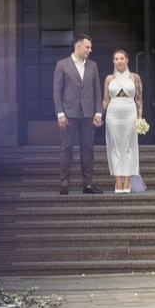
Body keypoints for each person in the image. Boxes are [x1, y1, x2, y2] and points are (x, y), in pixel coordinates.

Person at [50, 34, 104, 195]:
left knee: (88, 150)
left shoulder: (93, 66)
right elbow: (56, 91)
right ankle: (64, 183)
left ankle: (87, 184)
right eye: (88, 47)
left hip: (88, 114)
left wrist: (98, 113)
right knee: (66, 148)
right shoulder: (62, 64)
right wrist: (60, 113)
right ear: (78, 46)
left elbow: (97, 90)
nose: (90, 50)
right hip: (69, 113)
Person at [102, 48, 143, 192]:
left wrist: (139, 118)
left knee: (129, 146)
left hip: (129, 113)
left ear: (127, 60)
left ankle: (128, 182)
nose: (119, 61)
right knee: (115, 146)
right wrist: (99, 115)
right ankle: (118, 182)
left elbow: (139, 100)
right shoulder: (109, 79)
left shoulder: (134, 77)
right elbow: (105, 100)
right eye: (116, 59)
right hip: (113, 113)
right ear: (113, 61)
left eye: (122, 58)